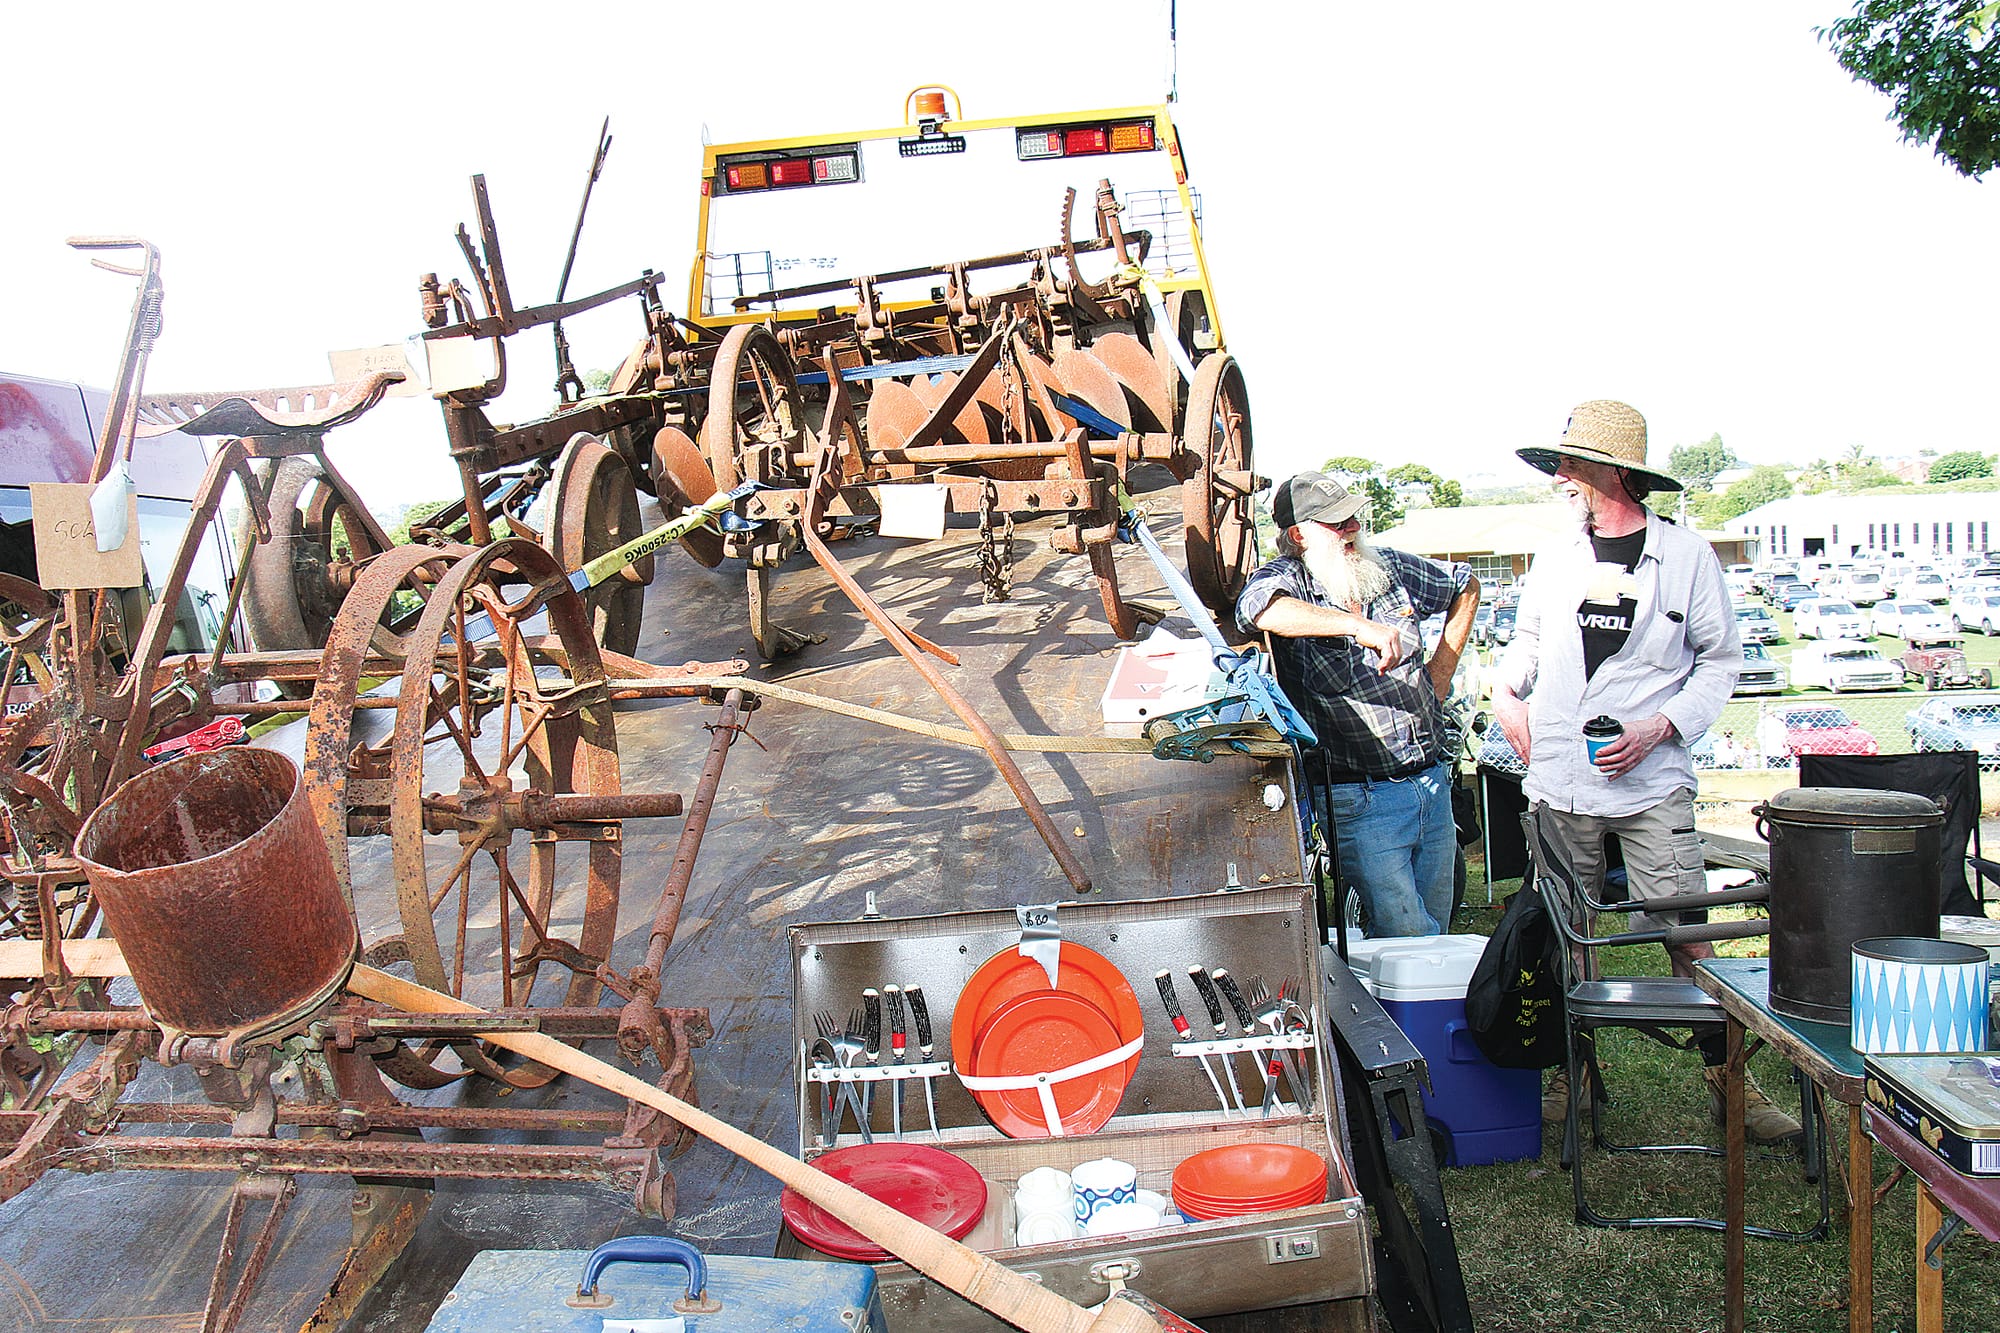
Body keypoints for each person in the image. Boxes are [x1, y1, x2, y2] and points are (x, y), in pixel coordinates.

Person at [1491, 399, 1802, 1145]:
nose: (1559, 476)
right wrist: (1505, 691)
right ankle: (1574, 1076)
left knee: (1685, 927)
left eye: (1569, 463)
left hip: (1652, 777)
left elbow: (1720, 660)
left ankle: (1733, 1080)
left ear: (1612, 471)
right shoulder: (1557, 557)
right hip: (1563, 774)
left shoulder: (1686, 558)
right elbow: (1527, 641)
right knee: (1565, 929)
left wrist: (1658, 726)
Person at [1238, 472, 1479, 937]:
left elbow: (1465, 585)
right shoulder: (1287, 580)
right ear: (1298, 534)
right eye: (1336, 522)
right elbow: (1259, 609)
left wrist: (1441, 673)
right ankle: (1398, 1010)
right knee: (1404, 935)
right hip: (1360, 798)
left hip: (1431, 780)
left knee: (1438, 927)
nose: (1351, 527)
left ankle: (1423, 1007)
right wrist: (1354, 627)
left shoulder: (1387, 567)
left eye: (1352, 516)